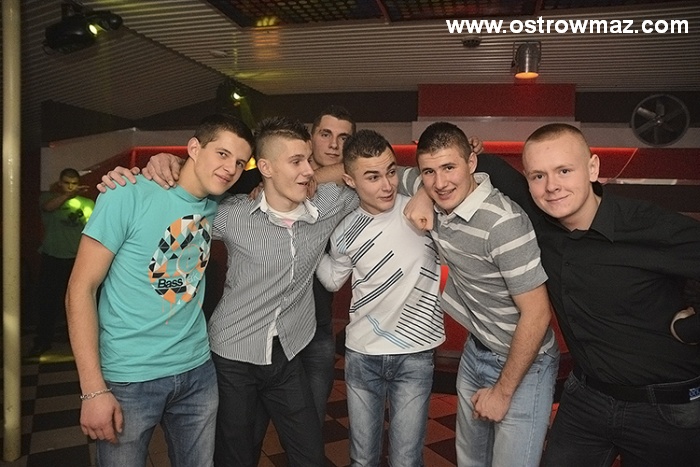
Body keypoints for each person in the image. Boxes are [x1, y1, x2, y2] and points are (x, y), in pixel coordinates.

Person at [65, 113, 255, 467]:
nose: (231, 168)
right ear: (194, 148)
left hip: (198, 370)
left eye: (240, 162)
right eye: (223, 154)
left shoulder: (216, 205)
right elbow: (80, 289)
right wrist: (92, 390)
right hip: (130, 377)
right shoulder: (126, 193)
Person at [520, 123, 700, 467]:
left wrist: (692, 328)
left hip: (666, 409)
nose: (551, 186)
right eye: (538, 176)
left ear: (593, 168)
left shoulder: (647, 224)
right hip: (586, 397)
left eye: (564, 170)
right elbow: (473, 171)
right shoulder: (540, 225)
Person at [399, 122, 560, 467]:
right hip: (476, 351)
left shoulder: (503, 224)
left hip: (525, 362)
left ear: (472, 162)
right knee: (471, 460)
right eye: (429, 172)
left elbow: (537, 314)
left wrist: (502, 392)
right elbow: (369, 170)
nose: (440, 182)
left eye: (449, 167)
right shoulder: (433, 192)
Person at [316, 129, 445, 466]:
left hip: (415, 353)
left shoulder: (422, 211)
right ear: (350, 180)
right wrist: (308, 242)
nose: (387, 185)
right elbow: (332, 280)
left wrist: (427, 193)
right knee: (362, 460)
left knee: (406, 460)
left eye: (390, 172)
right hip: (362, 354)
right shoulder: (345, 229)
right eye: (372, 177)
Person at [30, 168, 94, 356]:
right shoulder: (48, 198)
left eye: (74, 183)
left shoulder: (88, 203)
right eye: (67, 183)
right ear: (60, 183)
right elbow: (48, 207)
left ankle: (77, 340)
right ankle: (43, 340)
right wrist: (67, 196)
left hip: (77, 259)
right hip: (53, 257)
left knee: (78, 301)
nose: (70, 186)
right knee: (47, 302)